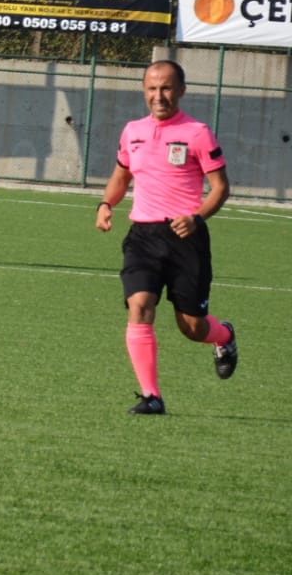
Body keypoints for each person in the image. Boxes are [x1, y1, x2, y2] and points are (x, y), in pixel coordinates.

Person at [95, 60, 237, 416]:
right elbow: (121, 176)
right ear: (144, 91)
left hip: (185, 236)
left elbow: (220, 188)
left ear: (182, 90)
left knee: (192, 327)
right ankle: (151, 396)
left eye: (167, 88)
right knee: (140, 305)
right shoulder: (132, 131)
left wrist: (196, 217)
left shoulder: (197, 132)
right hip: (142, 235)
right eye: (152, 89)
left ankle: (224, 337)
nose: (159, 96)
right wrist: (105, 203)